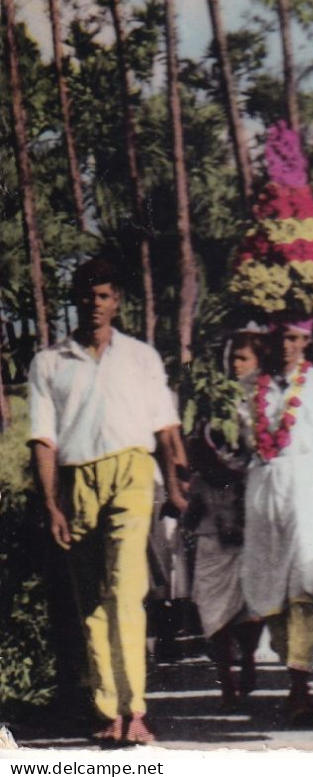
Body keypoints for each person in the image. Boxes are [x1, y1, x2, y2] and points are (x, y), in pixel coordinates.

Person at [27, 259, 187, 746]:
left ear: (117, 301)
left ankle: (134, 710)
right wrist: (52, 503)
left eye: (103, 295)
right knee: (91, 602)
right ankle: (107, 711)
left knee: (126, 590)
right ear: (73, 302)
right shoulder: (49, 362)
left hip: (133, 472)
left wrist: (178, 488)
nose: (93, 304)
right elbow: (42, 439)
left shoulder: (141, 357)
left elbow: (166, 428)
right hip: (77, 480)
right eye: (85, 296)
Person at [241, 318, 313, 724]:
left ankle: (300, 686)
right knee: (266, 587)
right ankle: (291, 664)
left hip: (306, 483)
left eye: (296, 338)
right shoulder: (251, 384)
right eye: (281, 337)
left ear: (306, 340)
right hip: (262, 484)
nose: (288, 346)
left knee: (302, 583)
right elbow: (236, 440)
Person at [185, 332, 267, 712]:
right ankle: (226, 679)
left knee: (250, 604)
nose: (237, 365)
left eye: (245, 358)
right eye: (234, 358)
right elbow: (194, 450)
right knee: (211, 601)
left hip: (248, 510)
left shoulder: (263, 406)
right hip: (211, 516)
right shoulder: (210, 403)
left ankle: (248, 658)